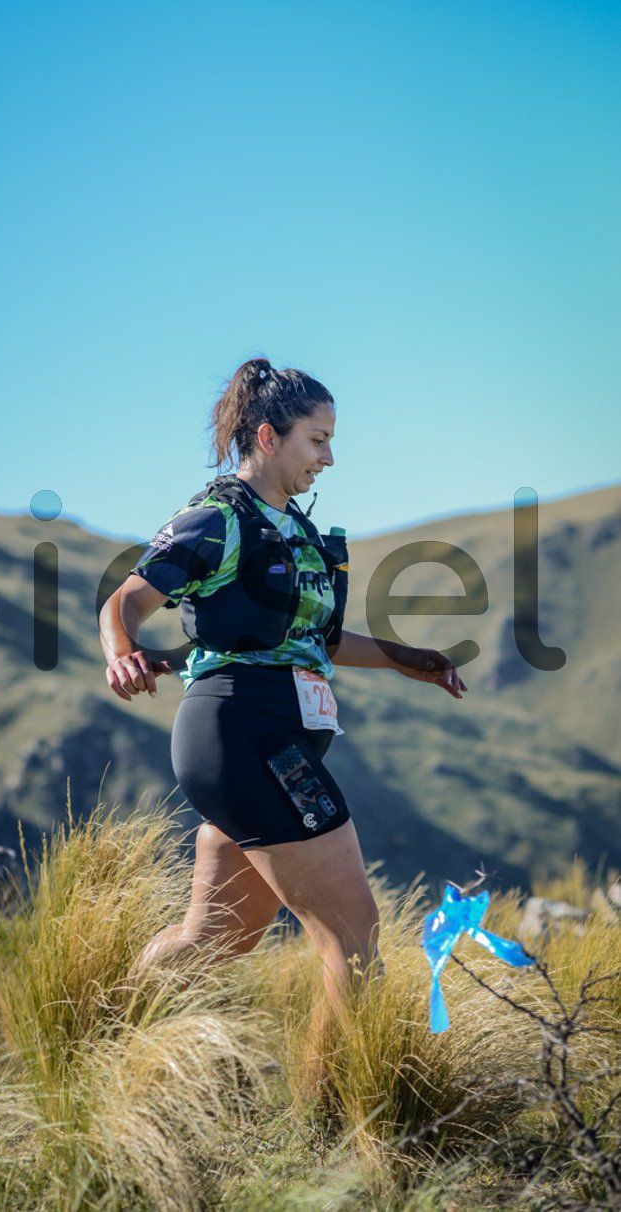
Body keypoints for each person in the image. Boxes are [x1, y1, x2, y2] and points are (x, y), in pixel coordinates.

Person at [98, 357, 467, 1021]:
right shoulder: (215, 519)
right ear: (269, 437)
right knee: (353, 933)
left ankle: (110, 1030)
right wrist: (122, 653)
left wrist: (408, 659)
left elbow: (319, 641)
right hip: (243, 736)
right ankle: (344, 1087)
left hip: (274, 742)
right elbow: (125, 599)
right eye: (317, 440)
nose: (329, 458)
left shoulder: (298, 529)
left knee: (215, 939)